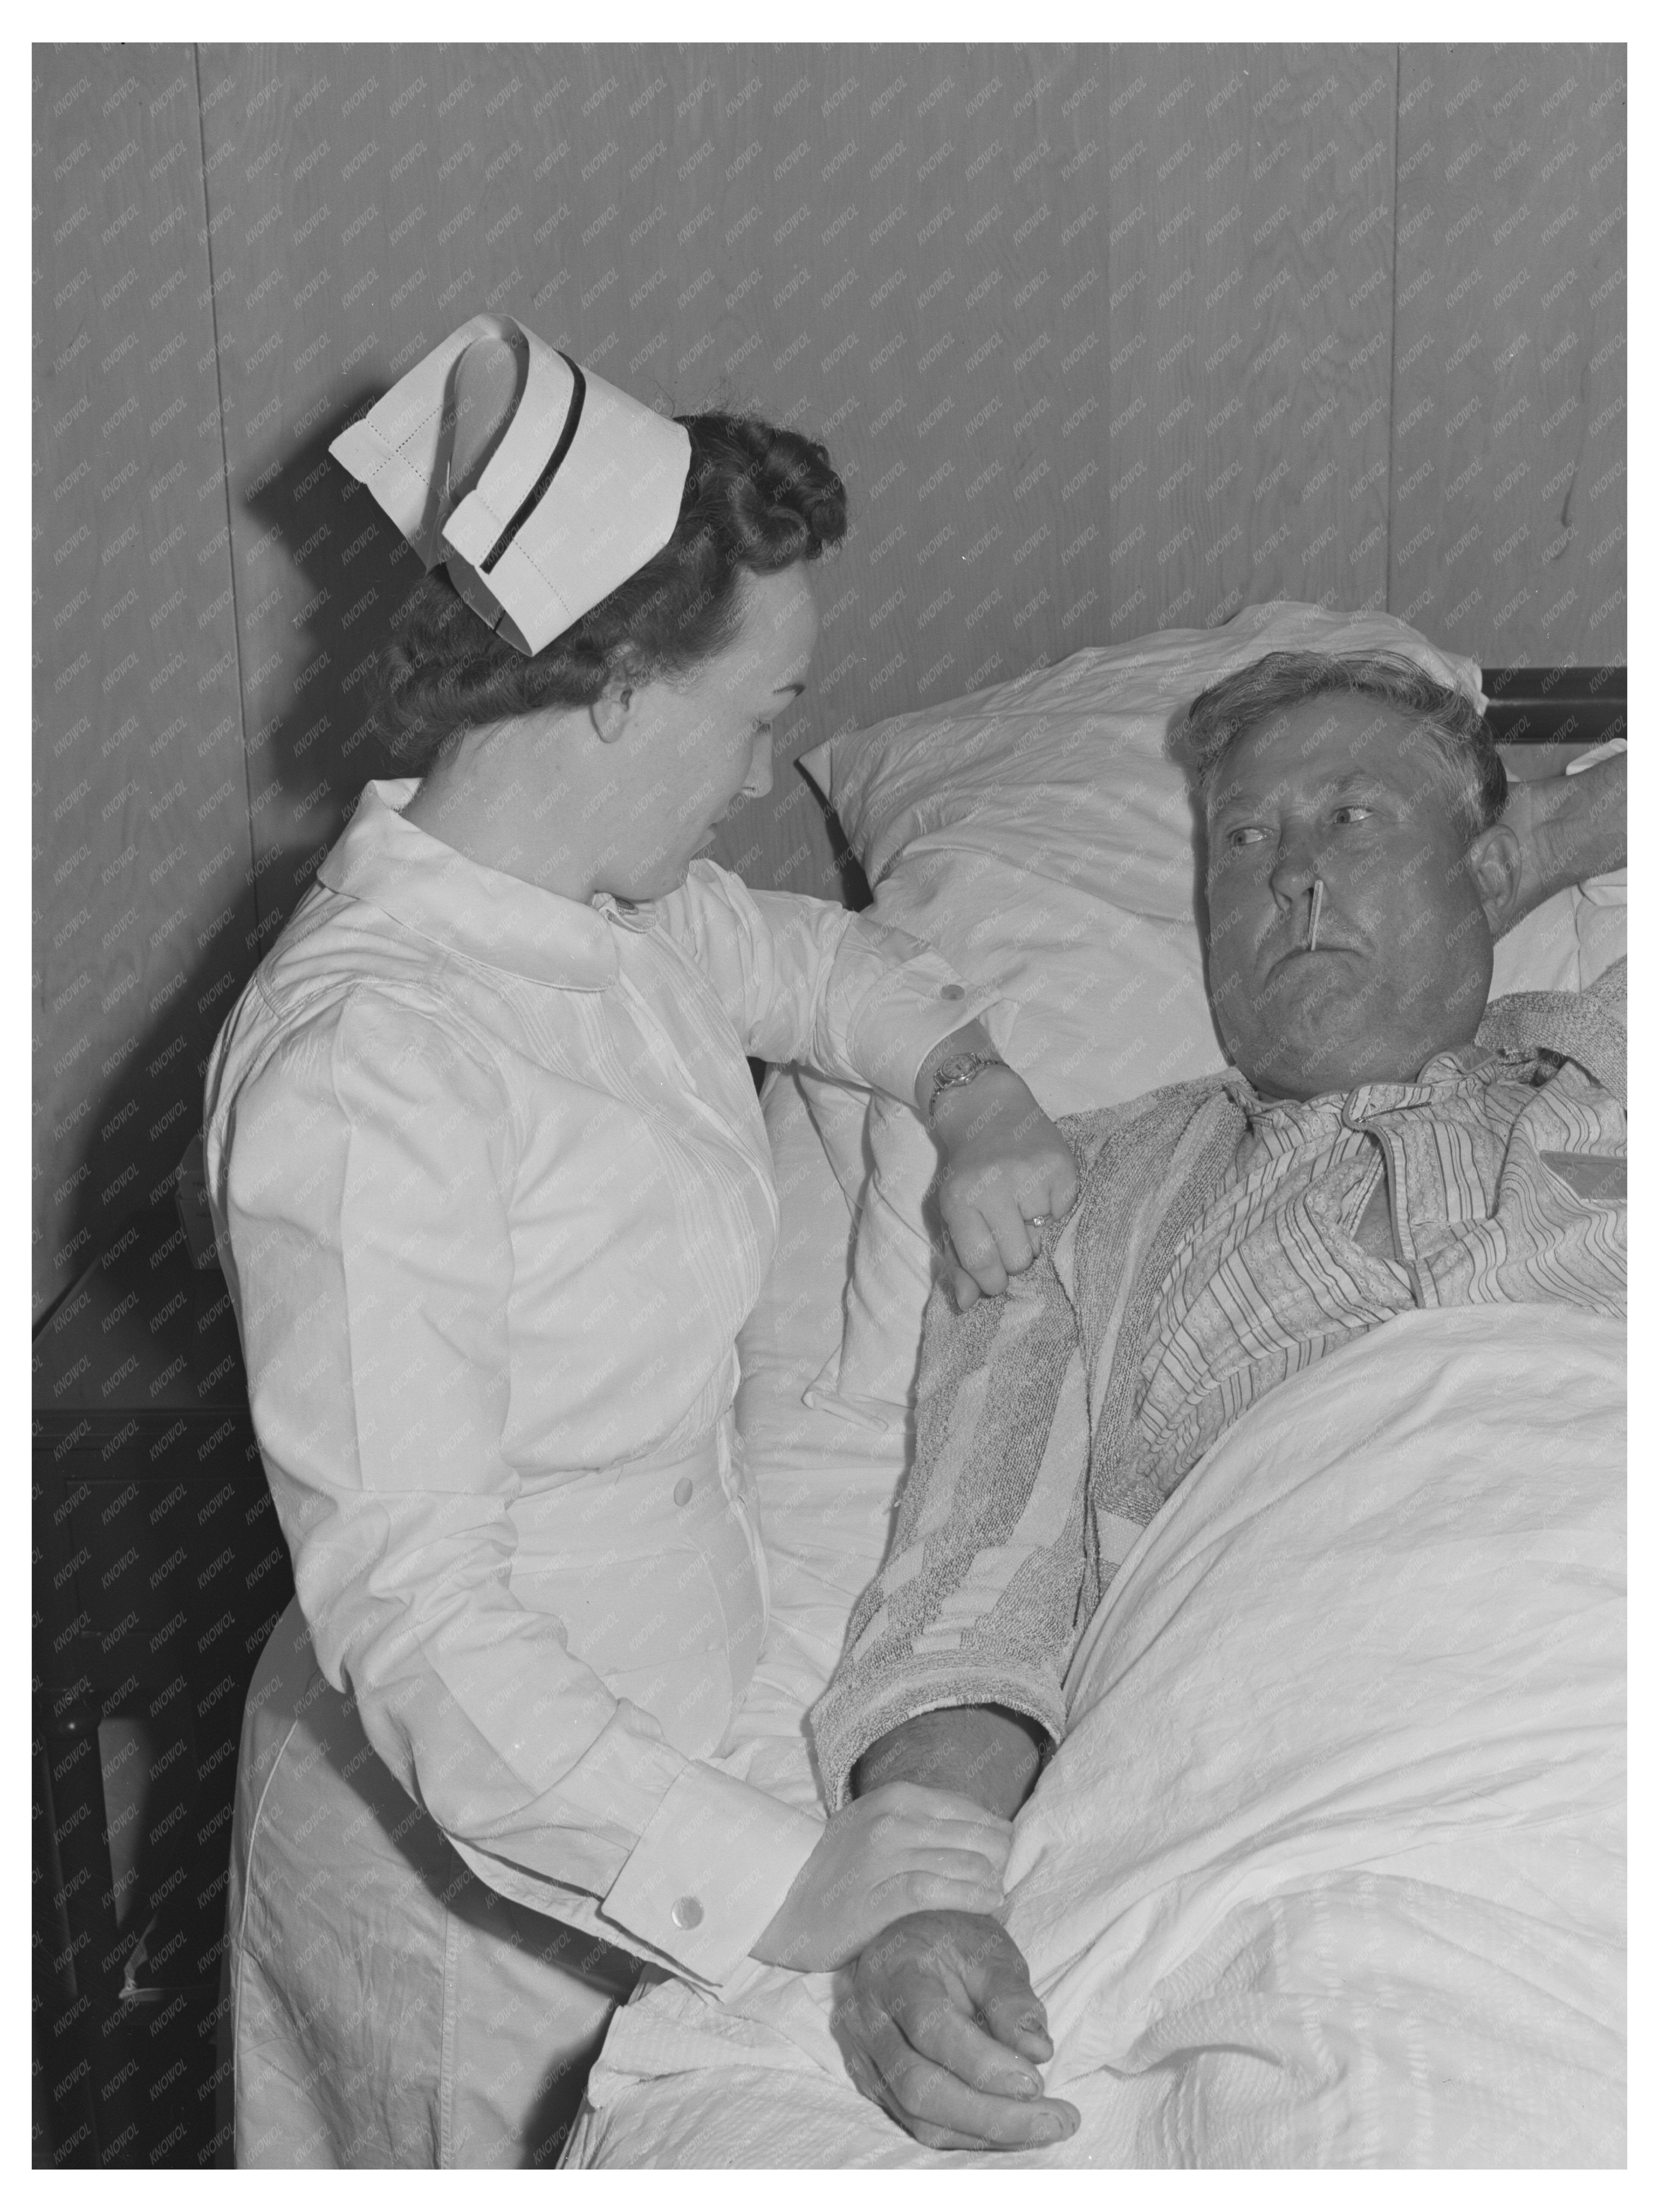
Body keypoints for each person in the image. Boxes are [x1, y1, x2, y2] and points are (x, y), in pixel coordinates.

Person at [205, 312, 1077, 2168]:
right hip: (468, 1866)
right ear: (614, 691)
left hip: (681, 1740)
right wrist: (778, 1880)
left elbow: (819, 964)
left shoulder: (609, 913)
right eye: (759, 716)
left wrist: (974, 1080)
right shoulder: (373, 1062)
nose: (770, 777)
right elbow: (422, 1616)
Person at [805, 649, 1627, 2153]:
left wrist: (1554, 844)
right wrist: (917, 1890)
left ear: (1485, 870)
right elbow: (978, 1581)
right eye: (1245, 841)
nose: (1295, 880)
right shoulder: (1086, 1185)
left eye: (1357, 822)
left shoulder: (1617, 1066)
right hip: (1310, 1729)